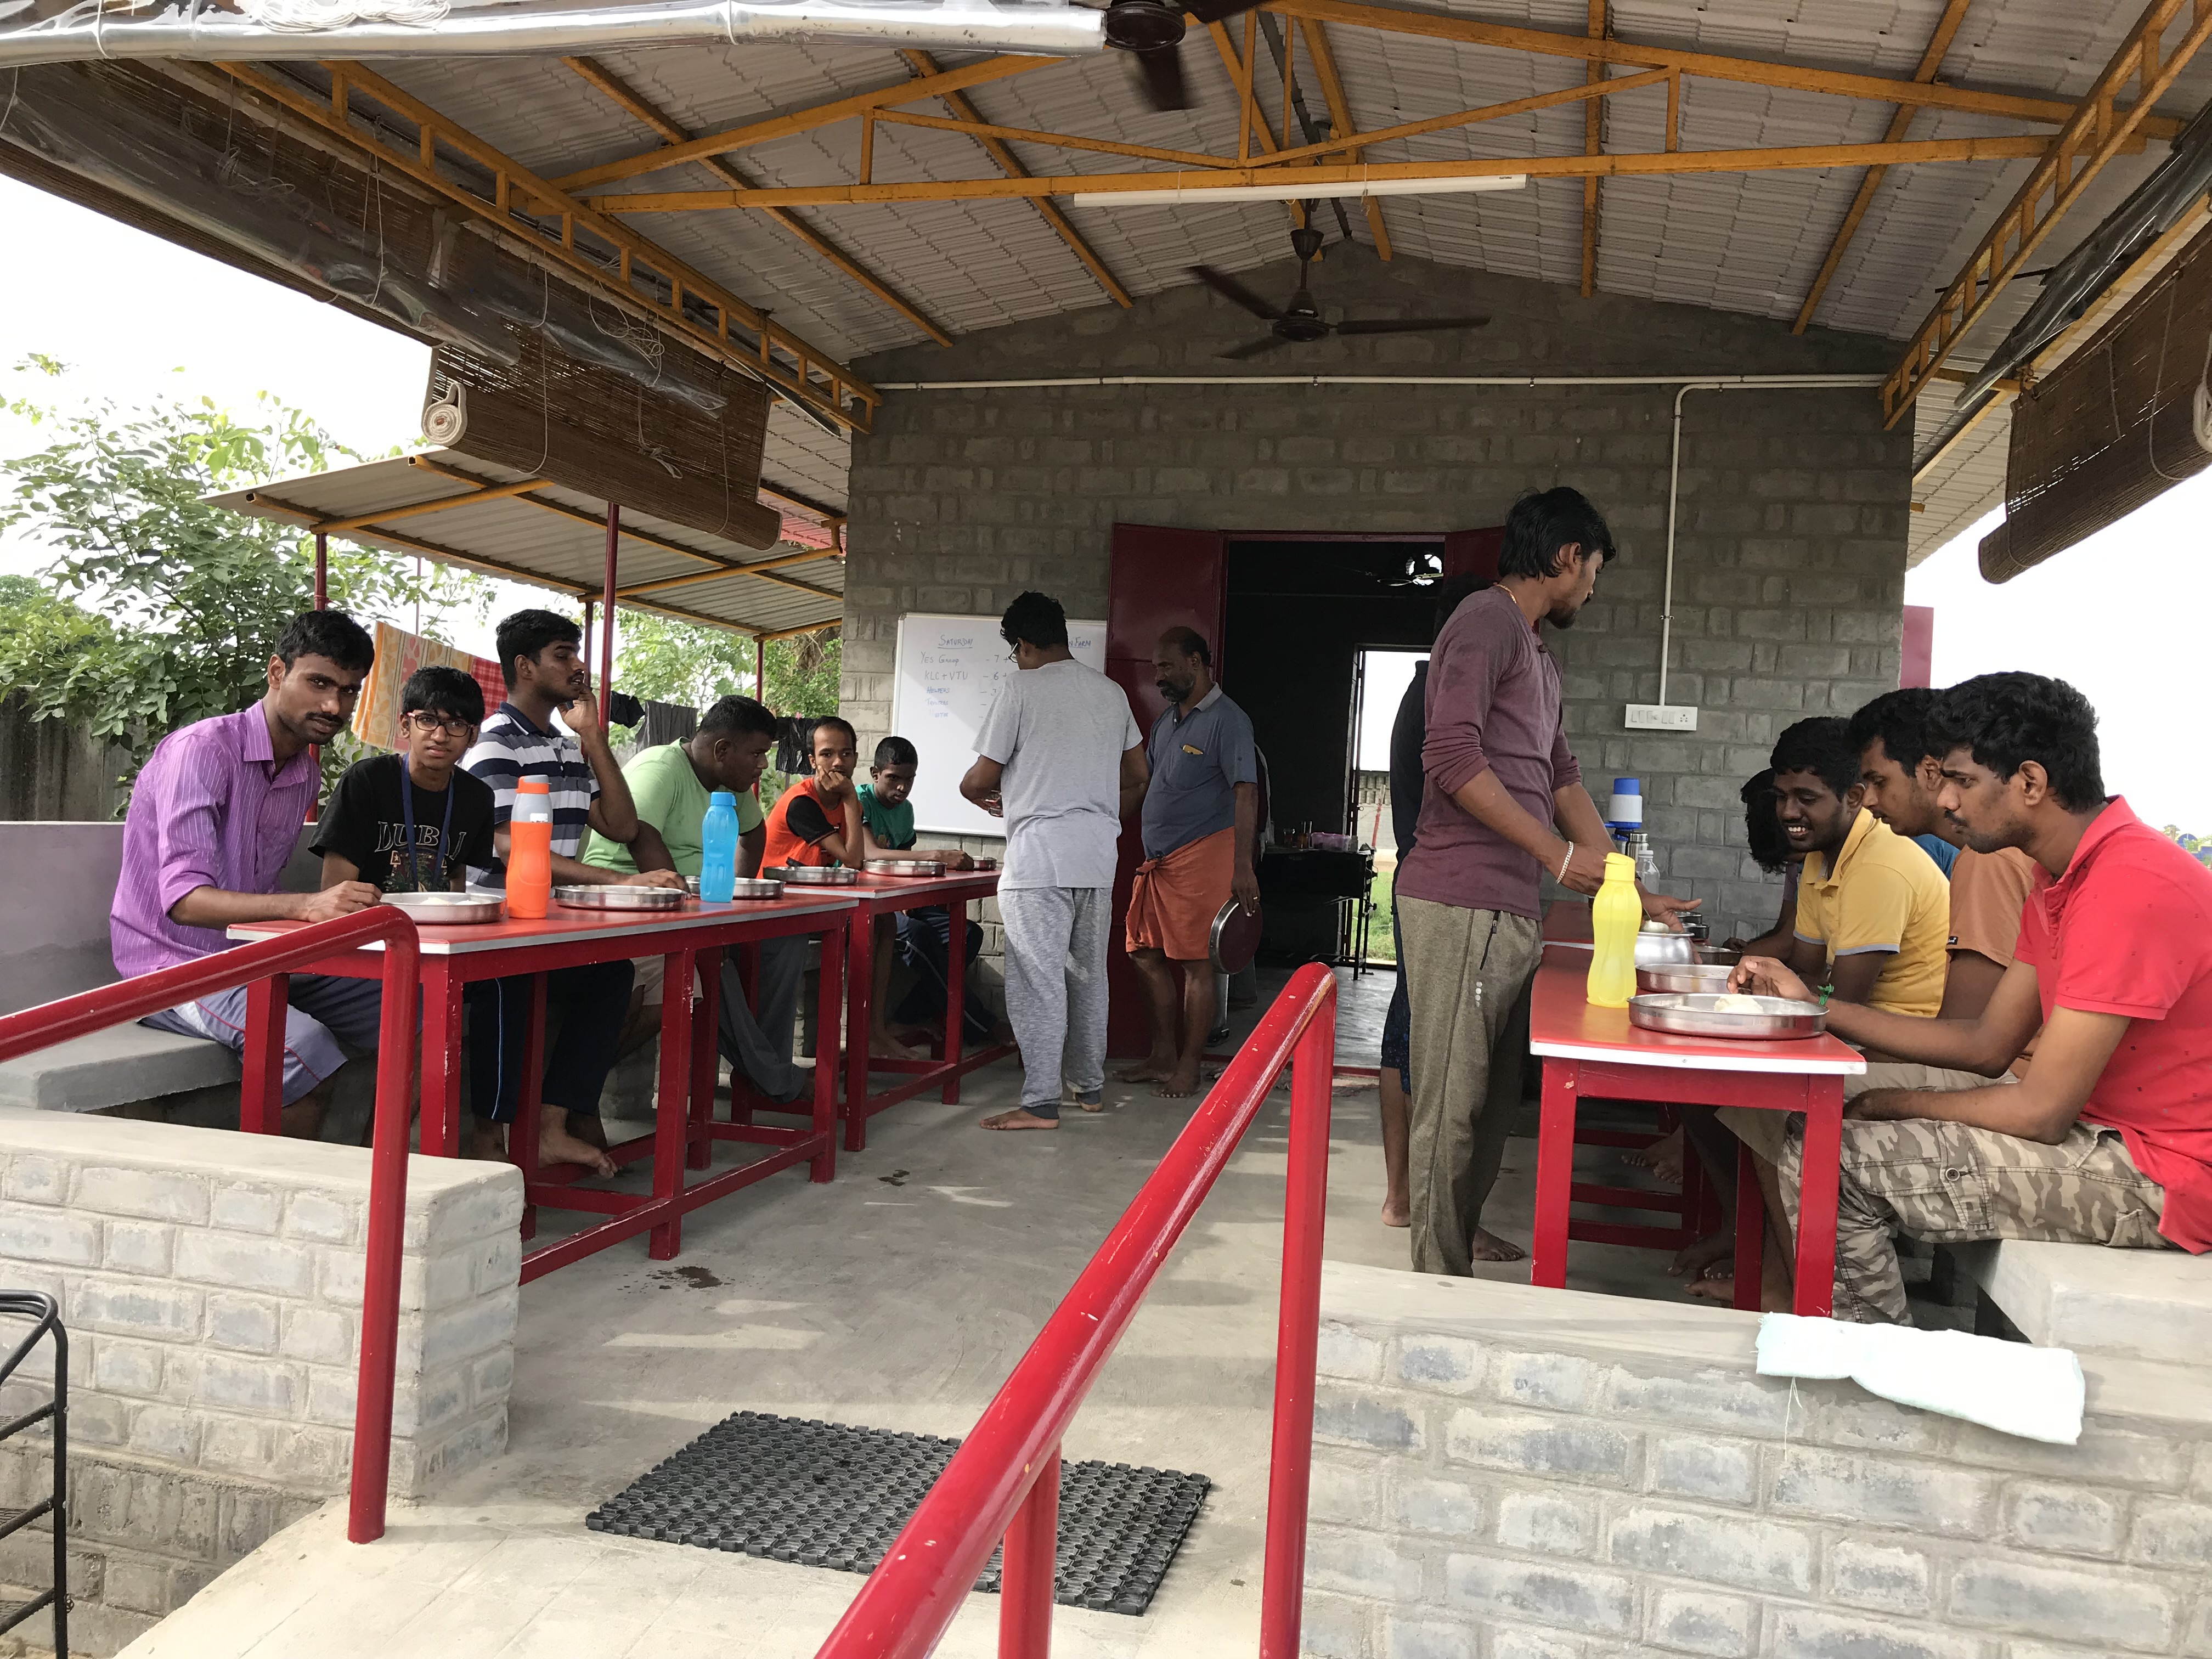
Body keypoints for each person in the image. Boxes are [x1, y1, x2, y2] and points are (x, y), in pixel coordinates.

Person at [1729, 672, 2211, 1323]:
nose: (1945, 798)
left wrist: (1894, 1103)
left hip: (2163, 1174)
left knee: (1833, 1163)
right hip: (2102, 1132)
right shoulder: (2061, 876)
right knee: (1796, 1113)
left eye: (1960, 780)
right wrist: (1812, 1008)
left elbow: (2041, 1111)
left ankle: (1862, 1378)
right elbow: (1986, 1045)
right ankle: (1840, 1340)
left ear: (2031, 784)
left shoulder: (2129, 885)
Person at [1395, 487, 1695, 1275]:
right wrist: (1559, 861)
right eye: (1593, 570)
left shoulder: (1538, 656)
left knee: (1493, 1107)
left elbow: (1562, 779)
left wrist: (1625, 885)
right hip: (1458, 898)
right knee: (1451, 1107)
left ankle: (1453, 1258)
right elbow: (1453, 760)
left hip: (1506, 907)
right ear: (1567, 558)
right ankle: (1435, 1281)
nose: (1593, 588)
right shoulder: (1484, 624)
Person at [115, 610, 384, 1139]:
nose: (335, 706)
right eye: (320, 683)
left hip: (255, 956)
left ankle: (386, 1177)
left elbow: (258, 889)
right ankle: (268, 1211)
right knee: (304, 1050)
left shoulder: (303, 771)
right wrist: (308, 905)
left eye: (349, 691)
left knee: (415, 1009)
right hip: (175, 967)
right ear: (277, 672)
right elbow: (186, 902)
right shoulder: (201, 751)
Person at [461, 609, 680, 1176]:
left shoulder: (562, 746)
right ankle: (489, 1137)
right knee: (507, 984)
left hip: (548, 922)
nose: (578, 667)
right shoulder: (494, 745)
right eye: (563, 654)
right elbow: (510, 845)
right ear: (525, 666)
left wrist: (591, 736)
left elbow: (622, 823)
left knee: (611, 975)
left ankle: (551, 1125)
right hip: (495, 925)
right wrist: (621, 883)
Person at [961, 590, 1147, 1131]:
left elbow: (980, 778)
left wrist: (984, 797)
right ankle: (1088, 1087)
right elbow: (1139, 775)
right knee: (1089, 978)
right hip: (1096, 856)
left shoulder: (1020, 688)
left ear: (1022, 644)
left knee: (1038, 980)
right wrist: (1100, 807)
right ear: (1061, 634)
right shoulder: (1111, 693)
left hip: (1038, 860)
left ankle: (1040, 1102)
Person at [579, 694, 811, 1105]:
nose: (763, 765)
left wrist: (730, 891)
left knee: (783, 942)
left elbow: (753, 832)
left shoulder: (731, 785)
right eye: (757, 754)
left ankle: (766, 1066)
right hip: (630, 900)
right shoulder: (660, 768)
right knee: (707, 960)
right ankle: (773, 1079)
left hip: (692, 904)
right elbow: (640, 834)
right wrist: (694, 910)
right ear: (722, 750)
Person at [1378, 574, 1481, 1229]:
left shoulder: (1427, 692)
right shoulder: (1438, 701)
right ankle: (1415, 1201)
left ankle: (1407, 1197)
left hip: (1424, 883)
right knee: (1426, 1043)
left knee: (1408, 1034)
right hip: (1435, 892)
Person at [1847, 688, 2039, 1037]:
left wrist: (1818, 1009)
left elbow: (1966, 1038)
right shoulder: (1986, 854)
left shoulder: (1987, 859)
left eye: (1879, 781)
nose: (1868, 801)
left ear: (1930, 773)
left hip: (2008, 1077)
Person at [1119, 627, 1259, 1099]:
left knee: (1198, 965)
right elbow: (1148, 784)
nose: (1159, 676)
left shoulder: (1229, 719)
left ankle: (1190, 1066)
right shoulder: (1167, 722)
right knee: (1144, 953)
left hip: (1206, 856)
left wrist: (1243, 866)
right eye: (1156, 668)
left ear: (1197, 663)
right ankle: (1162, 1056)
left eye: (1167, 667)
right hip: (1159, 864)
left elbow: (1246, 792)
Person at [1768, 716, 1950, 1018]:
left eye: (1806, 798)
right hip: (1862, 1027)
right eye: (1781, 797)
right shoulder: (1821, 853)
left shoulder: (1878, 864)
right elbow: (1804, 971)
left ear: (1853, 797)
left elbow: (1842, 1004)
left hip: (1908, 1042)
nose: (1788, 812)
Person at [856, 736, 1009, 1058]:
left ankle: (904, 1019)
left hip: (897, 900)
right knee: (919, 936)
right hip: (869, 906)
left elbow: (904, 860)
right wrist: (937, 855)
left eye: (909, 780)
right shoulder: (860, 801)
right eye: (893, 779)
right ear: (875, 774)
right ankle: (982, 1023)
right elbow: (869, 854)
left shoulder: (906, 810)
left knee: (968, 933)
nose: (902, 788)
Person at [314, 666, 495, 895]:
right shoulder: (366, 781)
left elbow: (455, 876)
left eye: (456, 725)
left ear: (474, 736)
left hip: (438, 924)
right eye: (427, 720)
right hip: (368, 923)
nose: (440, 736)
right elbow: (335, 892)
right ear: (405, 726)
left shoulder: (477, 797)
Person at [762, 716, 865, 870]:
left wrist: (850, 799)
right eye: (827, 754)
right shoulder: (801, 802)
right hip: (778, 890)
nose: (838, 762)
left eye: (846, 754)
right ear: (813, 761)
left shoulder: (851, 805)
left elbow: (852, 864)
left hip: (810, 887)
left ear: (855, 759)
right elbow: (854, 861)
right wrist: (850, 796)